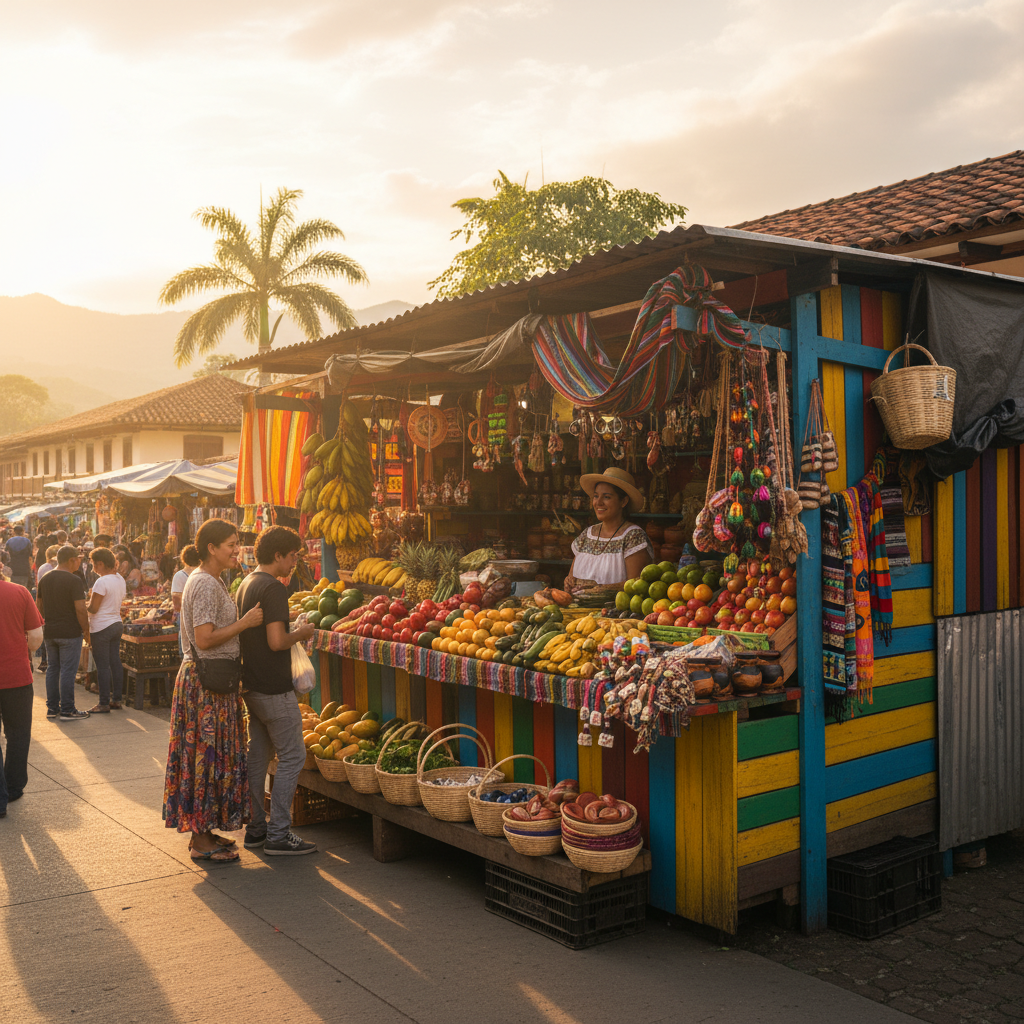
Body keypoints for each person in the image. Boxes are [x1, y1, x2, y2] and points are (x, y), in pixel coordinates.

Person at [162, 518, 263, 864]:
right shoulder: (204, 583)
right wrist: (245, 623)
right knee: (205, 758)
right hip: (206, 687)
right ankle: (201, 839)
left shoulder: (210, 580)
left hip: (212, 685)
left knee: (211, 757)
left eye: (237, 543)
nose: (238, 550)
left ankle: (204, 831)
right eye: (232, 544)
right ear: (212, 548)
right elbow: (204, 638)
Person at [235, 526, 317, 856]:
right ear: (278, 556)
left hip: (253, 685)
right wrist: (301, 632)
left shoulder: (247, 583)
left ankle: (256, 830)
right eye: (293, 555)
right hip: (273, 688)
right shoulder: (273, 588)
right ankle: (279, 834)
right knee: (293, 756)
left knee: (259, 757)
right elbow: (277, 641)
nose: (296, 561)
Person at [563, 467, 655, 592]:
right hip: (578, 610)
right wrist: (569, 582)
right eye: (596, 496)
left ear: (623, 501)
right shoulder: (586, 535)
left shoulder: (633, 536)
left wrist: (599, 589)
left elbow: (636, 585)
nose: (598, 502)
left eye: (606, 497)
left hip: (613, 610)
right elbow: (571, 577)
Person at [0, 576, 44, 817]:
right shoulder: (19, 592)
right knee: (18, 734)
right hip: (16, 675)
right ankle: (13, 786)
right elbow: (36, 637)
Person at [36, 545, 91, 722]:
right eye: (78, 559)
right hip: (70, 632)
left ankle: (52, 708)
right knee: (67, 670)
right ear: (71, 560)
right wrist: (86, 630)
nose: (79, 563)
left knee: (53, 668)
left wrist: (42, 625)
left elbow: (39, 606)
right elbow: (81, 609)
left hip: (50, 631)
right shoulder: (74, 580)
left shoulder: (45, 578)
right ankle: (68, 709)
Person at [86, 548, 127, 713]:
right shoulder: (119, 579)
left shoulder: (101, 582)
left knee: (102, 665)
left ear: (100, 563)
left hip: (101, 626)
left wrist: (84, 605)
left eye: (94, 564)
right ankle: (116, 699)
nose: (93, 568)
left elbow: (93, 608)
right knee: (115, 662)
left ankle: (103, 703)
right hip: (116, 623)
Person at [171, 546, 201, 655]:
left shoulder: (199, 575)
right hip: (186, 617)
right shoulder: (180, 576)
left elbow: (176, 603)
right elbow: (177, 602)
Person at [4, 525, 33, 590]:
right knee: (23, 589)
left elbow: (6, 555)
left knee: (13, 589)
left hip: (13, 569)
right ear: (23, 532)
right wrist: (30, 570)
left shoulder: (9, 541)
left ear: (14, 532)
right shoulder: (27, 541)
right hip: (24, 569)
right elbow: (30, 557)